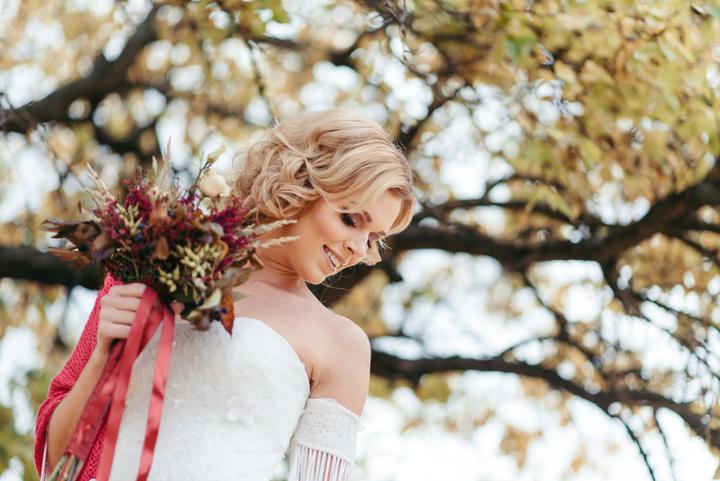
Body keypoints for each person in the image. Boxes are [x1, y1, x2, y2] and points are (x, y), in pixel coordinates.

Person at [34, 108, 416, 481]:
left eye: (372, 239)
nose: (358, 249)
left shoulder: (340, 344)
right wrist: (104, 354)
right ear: (303, 183)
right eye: (351, 219)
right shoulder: (153, 258)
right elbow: (56, 462)